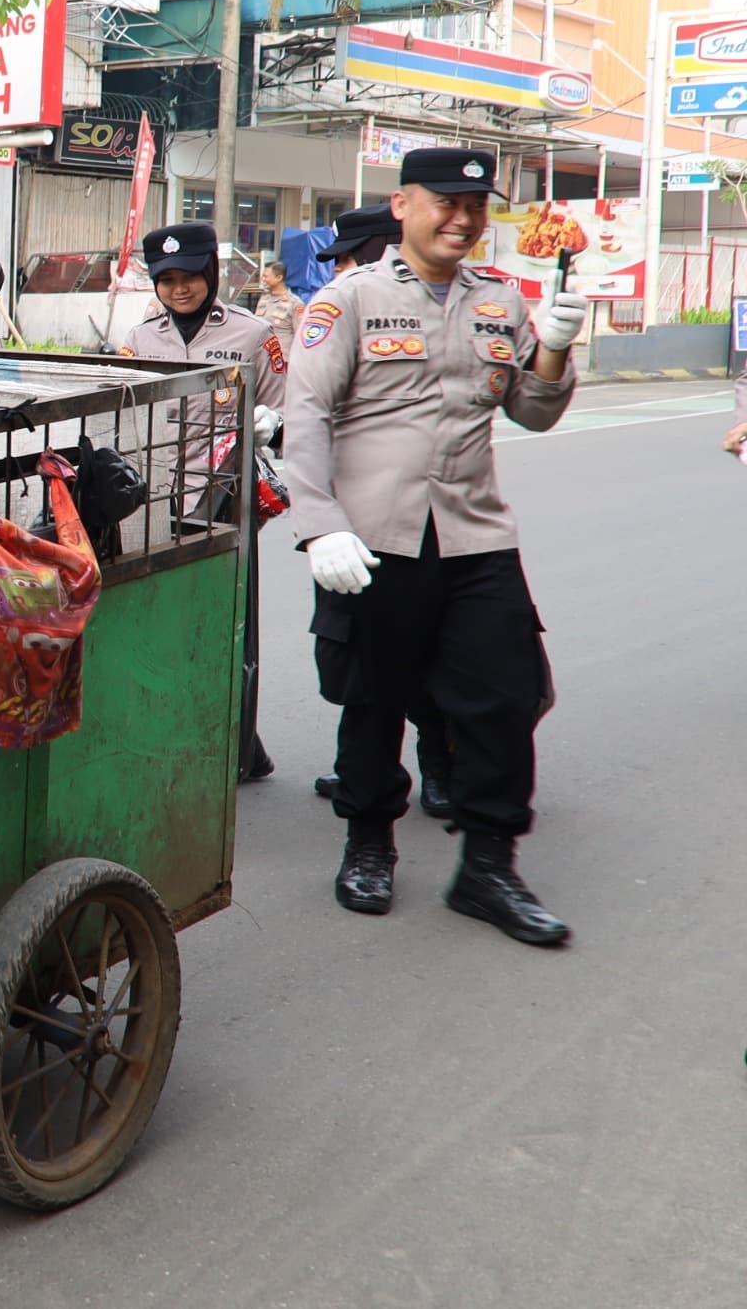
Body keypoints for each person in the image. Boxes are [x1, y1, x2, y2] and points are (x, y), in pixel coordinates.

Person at [282, 146, 586, 944]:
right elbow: (304, 416)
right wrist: (320, 527)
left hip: (474, 533)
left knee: (504, 697)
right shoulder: (349, 298)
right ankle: (369, 843)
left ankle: (488, 866)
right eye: (446, 202)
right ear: (404, 204)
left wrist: (553, 346)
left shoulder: (500, 302)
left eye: (475, 207)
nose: (462, 218)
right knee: (374, 698)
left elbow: (534, 411)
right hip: (373, 537)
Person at [120, 222, 289, 782]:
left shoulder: (253, 333)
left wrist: (274, 425)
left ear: (210, 273)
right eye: (166, 279)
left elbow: (292, 413)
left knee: (228, 627)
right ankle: (199, 735)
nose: (179, 288)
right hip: (157, 502)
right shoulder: (141, 336)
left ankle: (236, 748)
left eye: (189, 276)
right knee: (168, 624)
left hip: (225, 500)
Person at [307, 200, 454, 818]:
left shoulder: (450, 308)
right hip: (350, 521)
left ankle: (441, 762)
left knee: (431, 653)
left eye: (343, 256)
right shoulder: (337, 309)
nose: (335, 271)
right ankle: (362, 778)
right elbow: (309, 410)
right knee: (354, 662)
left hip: (431, 518)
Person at [255, 260, 303, 333]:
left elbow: (300, 333)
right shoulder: (263, 298)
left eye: (265, 276)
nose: (262, 279)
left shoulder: (295, 303)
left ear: (279, 278)